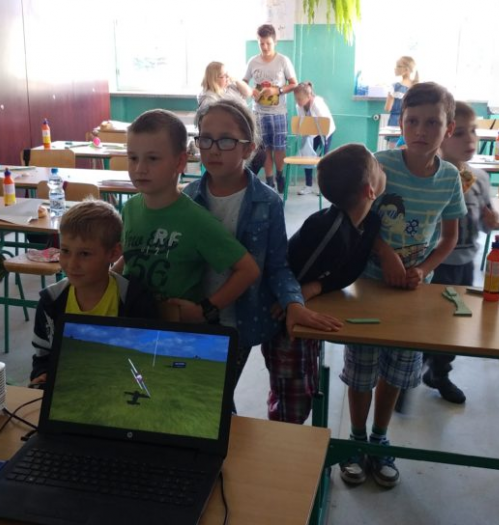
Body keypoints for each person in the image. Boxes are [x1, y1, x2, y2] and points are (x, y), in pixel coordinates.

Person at [339, 82, 467, 489]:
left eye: (432, 123)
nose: (420, 131)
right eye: (412, 121)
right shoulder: (381, 165)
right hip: (367, 286)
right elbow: (357, 219)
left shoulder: (450, 178)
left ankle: (379, 438)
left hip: (413, 293)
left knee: (395, 371)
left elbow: (449, 237)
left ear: (448, 129)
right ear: (401, 123)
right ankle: (356, 438)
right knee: (361, 371)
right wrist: (385, 254)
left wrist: (423, 269)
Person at [182, 99, 340, 389]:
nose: (213, 149)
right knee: (197, 392)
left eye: (226, 140)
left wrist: (293, 301)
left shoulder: (267, 202)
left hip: (240, 322)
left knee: (218, 394)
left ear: (249, 148)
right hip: (192, 318)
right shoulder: (187, 199)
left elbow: (277, 266)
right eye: (205, 139)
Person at [262, 144, 384, 424]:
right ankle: (282, 441)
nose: (383, 169)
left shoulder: (369, 222)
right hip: (286, 322)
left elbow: (347, 273)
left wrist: (316, 287)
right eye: (378, 168)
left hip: (309, 313)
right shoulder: (326, 229)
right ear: (369, 191)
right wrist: (299, 294)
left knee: (305, 386)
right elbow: (286, 275)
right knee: (292, 402)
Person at [115, 109, 261, 325]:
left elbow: (248, 270)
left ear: (180, 162)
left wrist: (206, 309)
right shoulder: (130, 208)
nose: (140, 168)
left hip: (177, 331)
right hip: (131, 322)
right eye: (133, 158)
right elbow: (131, 255)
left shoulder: (196, 220)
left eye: (153, 158)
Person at [30, 200, 158, 387]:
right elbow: (43, 356)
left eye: (85, 254)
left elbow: (146, 359)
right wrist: (42, 374)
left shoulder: (135, 300)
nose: (72, 264)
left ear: (113, 253)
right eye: (65, 251)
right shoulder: (50, 301)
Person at [422, 101, 499, 404]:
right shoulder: (431, 176)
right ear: (443, 136)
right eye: (460, 133)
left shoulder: (480, 178)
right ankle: (414, 367)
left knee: (454, 321)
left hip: (465, 263)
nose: (470, 139)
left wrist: (490, 222)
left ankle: (439, 373)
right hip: (434, 263)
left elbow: (482, 222)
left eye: (474, 131)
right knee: (426, 320)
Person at [243, 24, 297, 193]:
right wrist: (252, 91)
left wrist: (277, 90)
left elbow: (294, 84)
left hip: (278, 113)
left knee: (279, 148)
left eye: (268, 43)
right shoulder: (253, 61)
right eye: (261, 43)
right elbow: (244, 83)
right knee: (265, 149)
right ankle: (269, 181)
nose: (265, 47)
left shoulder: (283, 60)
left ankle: (280, 175)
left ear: (275, 42)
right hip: (259, 113)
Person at [199, 61, 266, 176]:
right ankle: (239, 178)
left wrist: (235, 79)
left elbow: (249, 92)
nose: (227, 78)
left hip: (241, 130)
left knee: (260, 152)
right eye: (223, 76)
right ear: (214, 79)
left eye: (227, 74)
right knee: (254, 155)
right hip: (226, 135)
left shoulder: (230, 88)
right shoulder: (208, 97)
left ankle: (242, 178)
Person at [293, 82, 335, 195]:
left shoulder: (317, 104)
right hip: (311, 133)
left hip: (325, 133)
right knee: (307, 157)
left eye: (300, 99)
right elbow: (303, 124)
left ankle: (323, 187)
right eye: (296, 99)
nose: (297, 101)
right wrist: (307, 141)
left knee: (323, 160)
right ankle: (308, 185)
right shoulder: (299, 106)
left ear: (309, 96)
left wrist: (311, 135)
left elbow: (324, 125)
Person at [383, 56, 419, 148]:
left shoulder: (395, 87)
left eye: (398, 66)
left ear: (406, 70)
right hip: (411, 124)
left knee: (393, 152)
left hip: (395, 123)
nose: (395, 68)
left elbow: (387, 108)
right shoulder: (417, 87)